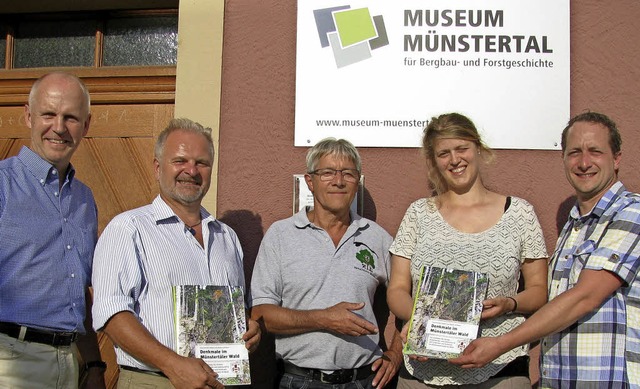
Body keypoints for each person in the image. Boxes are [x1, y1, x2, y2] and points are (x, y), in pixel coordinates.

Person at [450, 112, 640, 388]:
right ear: (563, 158)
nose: (584, 163)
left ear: (617, 158)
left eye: (595, 152)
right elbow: (556, 310)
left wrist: (501, 343)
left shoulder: (631, 212)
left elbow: (584, 297)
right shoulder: (574, 226)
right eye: (574, 152)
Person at [91, 118, 261, 389]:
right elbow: (111, 314)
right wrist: (173, 364)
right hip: (154, 381)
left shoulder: (227, 237)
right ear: (158, 168)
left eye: (201, 163)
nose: (191, 171)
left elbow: (237, 312)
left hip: (222, 382)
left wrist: (250, 330)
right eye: (180, 160)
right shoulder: (128, 229)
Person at [387, 113, 549, 388]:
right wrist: (418, 323)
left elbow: (538, 290)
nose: (454, 160)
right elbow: (397, 290)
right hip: (423, 374)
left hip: (500, 369)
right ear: (434, 161)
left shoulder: (520, 213)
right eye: (444, 153)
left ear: (478, 148)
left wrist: (509, 304)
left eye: (461, 148)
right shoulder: (418, 213)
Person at [250, 138, 402, 388]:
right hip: (299, 380)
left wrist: (396, 354)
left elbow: (414, 301)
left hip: (364, 381)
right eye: (328, 172)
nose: (339, 181)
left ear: (357, 181)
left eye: (348, 174)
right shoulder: (281, 235)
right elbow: (261, 314)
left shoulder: (377, 237)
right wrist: (324, 318)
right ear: (310, 181)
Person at [0, 72, 105, 388]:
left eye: (71, 117)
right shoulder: (3, 186)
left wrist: (95, 364)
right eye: (49, 114)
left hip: (69, 363)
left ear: (85, 126)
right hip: (10, 363)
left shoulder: (84, 200)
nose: (59, 128)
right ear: (29, 115)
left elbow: (78, 293)